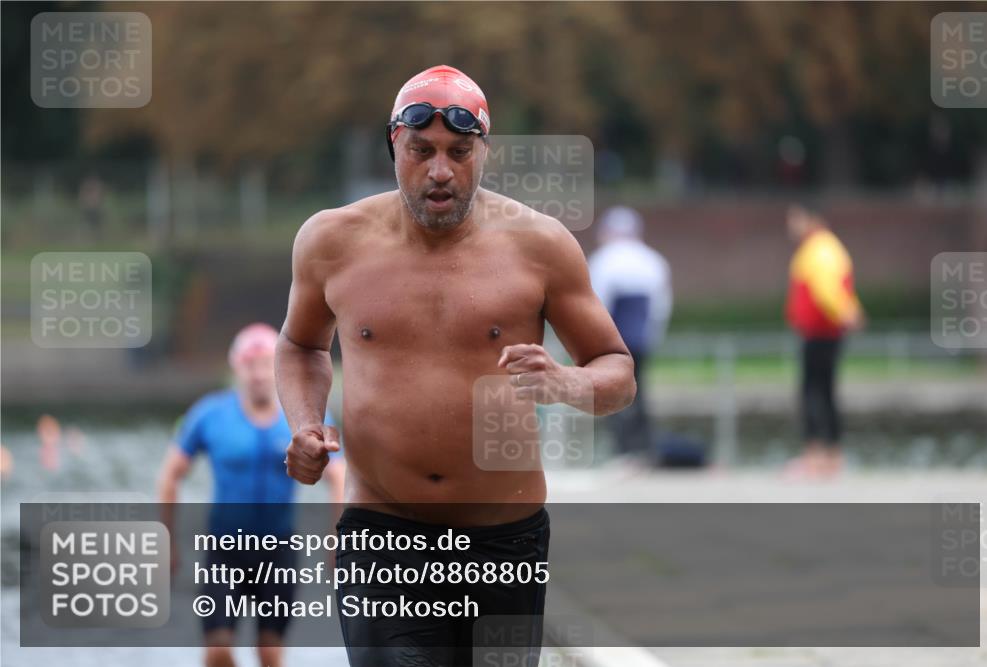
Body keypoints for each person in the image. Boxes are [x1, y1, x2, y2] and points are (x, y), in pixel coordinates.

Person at [277, 65, 636, 667]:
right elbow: (301, 346)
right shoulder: (330, 241)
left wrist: (566, 382)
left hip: (505, 542)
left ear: (484, 151)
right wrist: (305, 423)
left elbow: (617, 371)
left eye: (458, 152)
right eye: (422, 151)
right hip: (383, 536)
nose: (440, 171)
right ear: (395, 145)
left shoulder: (540, 245)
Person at [158, 322, 344, 667]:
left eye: (265, 365)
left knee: (270, 655)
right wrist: (166, 539)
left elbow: (339, 475)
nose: (258, 375)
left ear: (278, 368)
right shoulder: (210, 414)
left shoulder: (302, 419)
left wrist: (335, 541)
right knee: (217, 651)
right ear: (236, 367)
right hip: (224, 552)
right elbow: (170, 474)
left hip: (279, 552)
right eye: (250, 365)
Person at [784, 204, 864, 478]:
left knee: (813, 392)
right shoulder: (827, 248)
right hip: (826, 332)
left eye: (795, 219)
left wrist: (847, 312)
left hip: (819, 332)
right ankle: (831, 456)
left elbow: (826, 289)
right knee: (826, 392)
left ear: (812, 219)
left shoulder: (818, 249)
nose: (791, 226)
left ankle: (816, 457)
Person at [588, 206, 672, 460]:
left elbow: (596, 303)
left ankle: (623, 450)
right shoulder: (653, 260)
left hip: (613, 340)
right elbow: (661, 306)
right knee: (639, 391)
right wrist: (653, 336)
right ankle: (642, 449)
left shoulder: (604, 259)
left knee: (611, 394)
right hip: (641, 338)